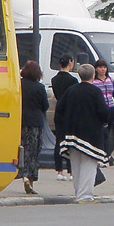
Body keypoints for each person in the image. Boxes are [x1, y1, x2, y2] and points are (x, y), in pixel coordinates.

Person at [58, 63, 114, 203]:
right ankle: (85, 196)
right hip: (90, 135)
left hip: (71, 134)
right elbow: (103, 112)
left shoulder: (71, 90)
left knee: (76, 166)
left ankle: (79, 194)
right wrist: (111, 115)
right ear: (93, 75)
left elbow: (60, 109)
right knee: (89, 166)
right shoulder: (95, 92)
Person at [17, 59, 49, 194]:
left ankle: (22, 174)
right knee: (34, 152)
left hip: (20, 121)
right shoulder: (39, 88)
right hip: (36, 122)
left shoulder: (19, 85)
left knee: (22, 149)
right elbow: (45, 106)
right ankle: (30, 179)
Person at [92, 59, 114, 166]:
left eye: (104, 67)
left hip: (111, 109)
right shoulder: (94, 82)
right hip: (100, 110)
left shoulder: (110, 80)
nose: (103, 69)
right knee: (103, 133)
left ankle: (106, 155)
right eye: (100, 67)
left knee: (109, 133)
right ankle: (102, 155)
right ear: (96, 69)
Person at [50, 55, 76, 181]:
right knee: (70, 141)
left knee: (59, 140)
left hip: (58, 111)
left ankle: (59, 170)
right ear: (70, 63)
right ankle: (71, 170)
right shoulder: (73, 80)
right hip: (69, 112)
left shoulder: (54, 79)